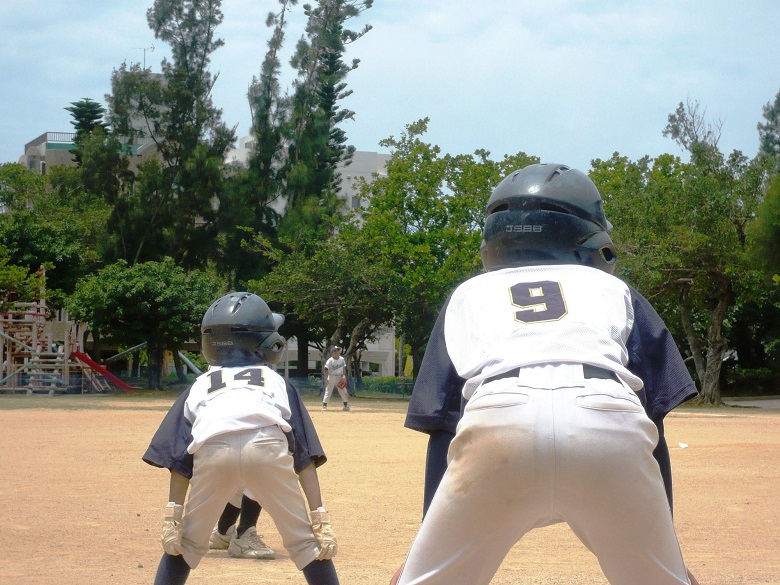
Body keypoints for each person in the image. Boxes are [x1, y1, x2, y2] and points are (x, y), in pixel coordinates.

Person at [394, 164, 701, 585]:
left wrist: (425, 553)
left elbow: (443, 427)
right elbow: (654, 424)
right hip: (607, 417)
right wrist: (665, 554)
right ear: (590, 238)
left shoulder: (468, 294)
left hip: (499, 419)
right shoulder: (615, 291)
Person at [143, 292, 339, 585]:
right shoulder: (275, 382)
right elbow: (304, 456)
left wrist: (174, 514)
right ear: (264, 343)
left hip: (213, 450)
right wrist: (318, 515)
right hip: (267, 448)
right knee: (307, 546)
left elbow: (179, 460)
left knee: (184, 545)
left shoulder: (200, 385)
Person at [322, 345, 350, 411]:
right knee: (328, 391)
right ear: (332, 352)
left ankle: (345, 406)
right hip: (331, 376)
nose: (337, 351)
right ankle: (324, 406)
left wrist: (343, 376)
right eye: (335, 350)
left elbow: (344, 368)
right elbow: (325, 369)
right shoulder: (330, 360)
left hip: (339, 377)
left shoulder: (342, 359)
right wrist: (326, 378)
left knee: (343, 391)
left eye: (338, 350)